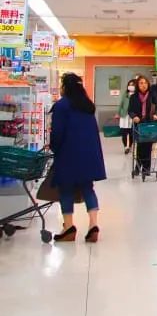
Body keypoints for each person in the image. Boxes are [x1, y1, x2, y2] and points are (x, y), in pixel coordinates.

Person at [50, 73, 106, 243]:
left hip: (68, 153)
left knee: (65, 188)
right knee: (88, 188)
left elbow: (57, 133)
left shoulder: (61, 106)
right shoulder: (87, 106)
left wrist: (54, 147)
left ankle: (68, 228)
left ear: (65, 88)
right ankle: (93, 225)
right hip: (89, 154)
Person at [128, 75, 157, 177]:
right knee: (139, 145)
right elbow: (130, 110)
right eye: (141, 83)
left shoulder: (152, 95)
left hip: (150, 123)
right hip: (139, 123)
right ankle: (138, 167)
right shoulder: (134, 97)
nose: (143, 85)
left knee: (148, 145)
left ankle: (146, 168)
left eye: (145, 83)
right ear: (137, 85)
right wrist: (134, 116)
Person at [118, 79, 136, 153]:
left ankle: (130, 146)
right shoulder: (125, 94)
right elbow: (121, 103)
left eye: (133, 85)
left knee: (131, 132)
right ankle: (126, 146)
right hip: (124, 115)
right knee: (124, 132)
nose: (131, 86)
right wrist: (119, 113)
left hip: (133, 115)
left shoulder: (137, 94)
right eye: (130, 85)